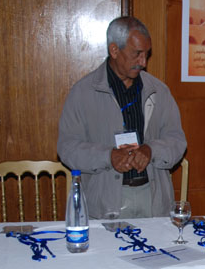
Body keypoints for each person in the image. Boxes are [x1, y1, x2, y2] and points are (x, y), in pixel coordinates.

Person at [57, 16, 187, 219]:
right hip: (105, 201)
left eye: (147, 54)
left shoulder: (158, 91)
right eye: (137, 54)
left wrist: (151, 150)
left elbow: (177, 141)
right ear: (114, 50)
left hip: (151, 198)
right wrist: (108, 156)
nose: (143, 62)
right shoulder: (83, 93)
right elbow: (67, 148)